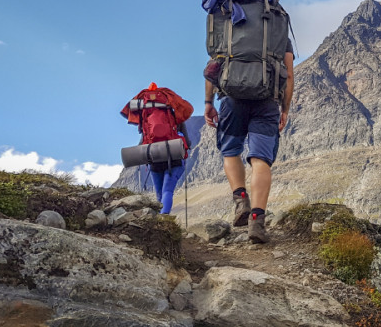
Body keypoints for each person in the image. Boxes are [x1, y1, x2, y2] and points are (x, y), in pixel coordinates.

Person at [204, 50, 293, 243]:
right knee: (260, 159)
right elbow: (289, 74)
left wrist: (208, 102)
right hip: (267, 101)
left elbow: (212, 68)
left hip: (232, 98)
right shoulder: (277, 23)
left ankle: (241, 202)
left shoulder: (227, 23)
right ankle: (256, 222)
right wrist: (285, 109)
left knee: (230, 151)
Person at [121, 83, 193, 215]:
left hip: (154, 158)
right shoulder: (174, 116)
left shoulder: (145, 118)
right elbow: (187, 141)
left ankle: (161, 220)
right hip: (174, 156)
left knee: (159, 193)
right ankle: (164, 217)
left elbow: (143, 140)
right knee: (168, 191)